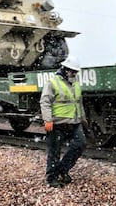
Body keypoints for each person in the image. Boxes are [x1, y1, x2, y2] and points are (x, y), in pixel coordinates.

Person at [39, 56, 87, 188]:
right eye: (72, 71)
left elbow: (78, 102)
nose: (74, 74)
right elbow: (45, 102)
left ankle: (62, 169)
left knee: (80, 144)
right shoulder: (52, 82)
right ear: (65, 70)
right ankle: (51, 177)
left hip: (74, 122)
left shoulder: (76, 83)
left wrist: (83, 118)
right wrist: (48, 120)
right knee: (54, 151)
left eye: (76, 72)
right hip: (57, 124)